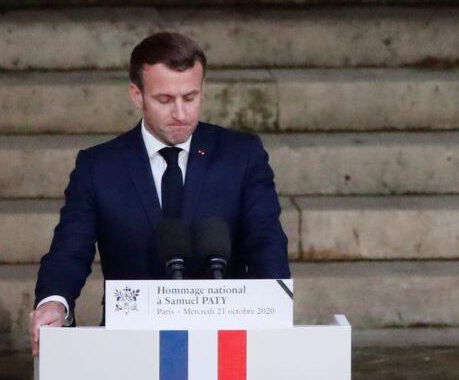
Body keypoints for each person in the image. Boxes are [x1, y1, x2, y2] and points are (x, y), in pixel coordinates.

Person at [29, 32, 290, 354]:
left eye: (190, 97)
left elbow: (266, 241)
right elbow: (70, 250)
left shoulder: (241, 155)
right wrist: (54, 303)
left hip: (226, 345)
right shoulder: (98, 166)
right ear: (137, 95)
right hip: (128, 346)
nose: (180, 113)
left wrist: (273, 311)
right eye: (165, 100)